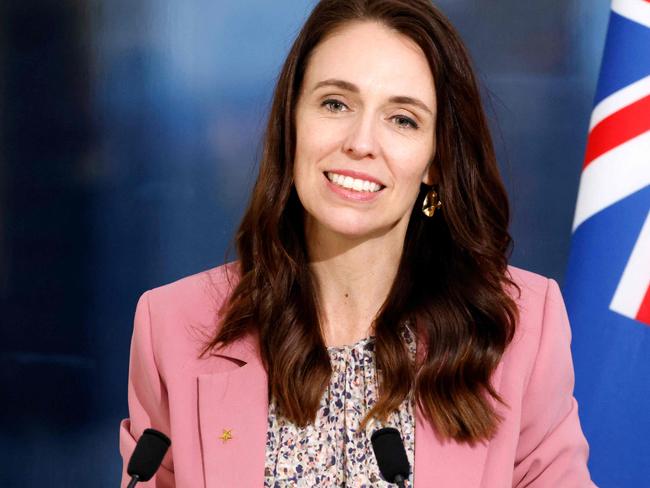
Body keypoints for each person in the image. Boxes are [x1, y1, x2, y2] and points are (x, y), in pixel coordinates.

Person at [119, 0, 595, 486]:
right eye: (335, 104)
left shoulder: (518, 330)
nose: (361, 142)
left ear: (436, 162)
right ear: (292, 124)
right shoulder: (174, 327)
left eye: (403, 119)